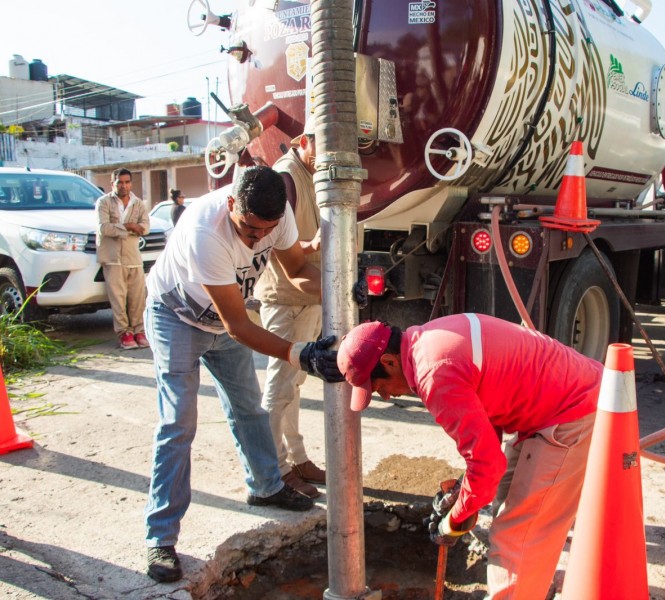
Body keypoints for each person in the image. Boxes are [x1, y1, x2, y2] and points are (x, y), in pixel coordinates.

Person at [142, 165, 343, 584]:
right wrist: (298, 353)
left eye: (265, 232)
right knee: (178, 420)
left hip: (220, 322)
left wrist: (337, 288)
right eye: (249, 230)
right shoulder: (206, 232)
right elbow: (238, 325)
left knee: (249, 408)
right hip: (176, 318)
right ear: (232, 203)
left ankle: (266, 486)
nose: (257, 241)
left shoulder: (276, 216)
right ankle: (160, 536)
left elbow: (295, 273)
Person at [337, 314, 603, 599]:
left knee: (519, 534)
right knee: (506, 504)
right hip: (555, 405)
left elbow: (487, 465)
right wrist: (464, 495)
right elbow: (488, 426)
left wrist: (454, 520)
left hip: (574, 411)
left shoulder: (434, 373)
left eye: (378, 387)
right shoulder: (428, 340)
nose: (386, 397)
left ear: (389, 362)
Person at [253, 126, 324, 499]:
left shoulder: (312, 174)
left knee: (293, 386)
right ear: (303, 141)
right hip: (286, 297)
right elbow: (279, 249)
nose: (329, 151)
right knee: (279, 387)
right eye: (322, 143)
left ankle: (296, 459)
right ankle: (274, 472)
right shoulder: (287, 177)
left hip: (308, 296)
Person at [95, 168, 150, 350]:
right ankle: (124, 333)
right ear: (113, 183)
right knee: (118, 298)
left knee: (138, 297)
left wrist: (129, 228)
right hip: (112, 257)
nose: (123, 186)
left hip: (133, 256)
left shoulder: (138, 203)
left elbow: (145, 227)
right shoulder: (104, 202)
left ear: (131, 183)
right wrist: (129, 226)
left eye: (127, 182)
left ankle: (138, 330)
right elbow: (104, 228)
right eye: (119, 182)